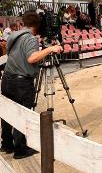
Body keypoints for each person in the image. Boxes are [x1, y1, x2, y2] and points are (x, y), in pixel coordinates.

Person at [0, 11, 63, 159]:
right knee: (23, 114)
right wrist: (50, 49)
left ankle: (7, 144)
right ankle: (20, 149)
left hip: (7, 79)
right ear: (37, 25)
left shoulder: (13, 36)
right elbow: (31, 58)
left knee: (8, 113)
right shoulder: (30, 39)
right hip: (22, 82)